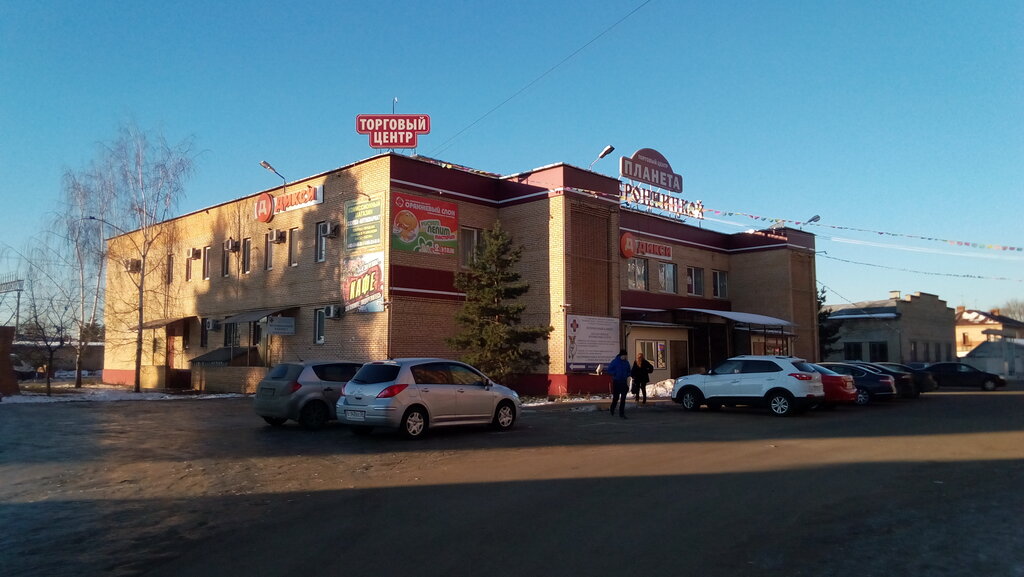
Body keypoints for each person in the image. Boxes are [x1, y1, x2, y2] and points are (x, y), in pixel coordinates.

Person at [606, 349, 631, 419]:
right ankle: (612, 408)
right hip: (616, 381)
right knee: (616, 397)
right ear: (621, 355)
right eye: (624, 356)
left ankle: (621, 413)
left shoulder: (626, 363)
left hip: (623, 382)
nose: (625, 357)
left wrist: (627, 374)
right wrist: (615, 373)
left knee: (623, 398)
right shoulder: (615, 362)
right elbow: (609, 370)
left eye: (626, 356)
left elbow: (629, 371)